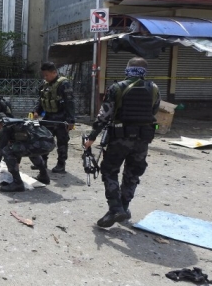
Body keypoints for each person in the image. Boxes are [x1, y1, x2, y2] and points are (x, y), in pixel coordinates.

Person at [84, 57, 160, 228]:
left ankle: (115, 208)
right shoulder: (154, 89)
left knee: (109, 171)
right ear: (144, 72)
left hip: (120, 138)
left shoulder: (117, 88)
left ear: (127, 69)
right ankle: (123, 208)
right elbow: (154, 111)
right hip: (143, 139)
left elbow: (104, 115)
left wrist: (92, 136)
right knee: (132, 175)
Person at [0, 113, 56, 192]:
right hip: (50, 143)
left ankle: (17, 183)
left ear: (0, 123)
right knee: (31, 150)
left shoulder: (6, 127)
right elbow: (19, 145)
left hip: (40, 144)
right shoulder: (18, 123)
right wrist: (16, 163)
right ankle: (44, 176)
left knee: (6, 150)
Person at [32, 62, 76, 173]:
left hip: (61, 118)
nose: (45, 77)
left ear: (54, 72)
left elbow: (70, 102)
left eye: (47, 75)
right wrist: (37, 111)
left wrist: (71, 120)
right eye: (44, 75)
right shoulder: (45, 85)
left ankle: (61, 165)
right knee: (44, 139)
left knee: (62, 142)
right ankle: (42, 162)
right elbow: (42, 100)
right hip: (48, 117)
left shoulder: (64, 84)